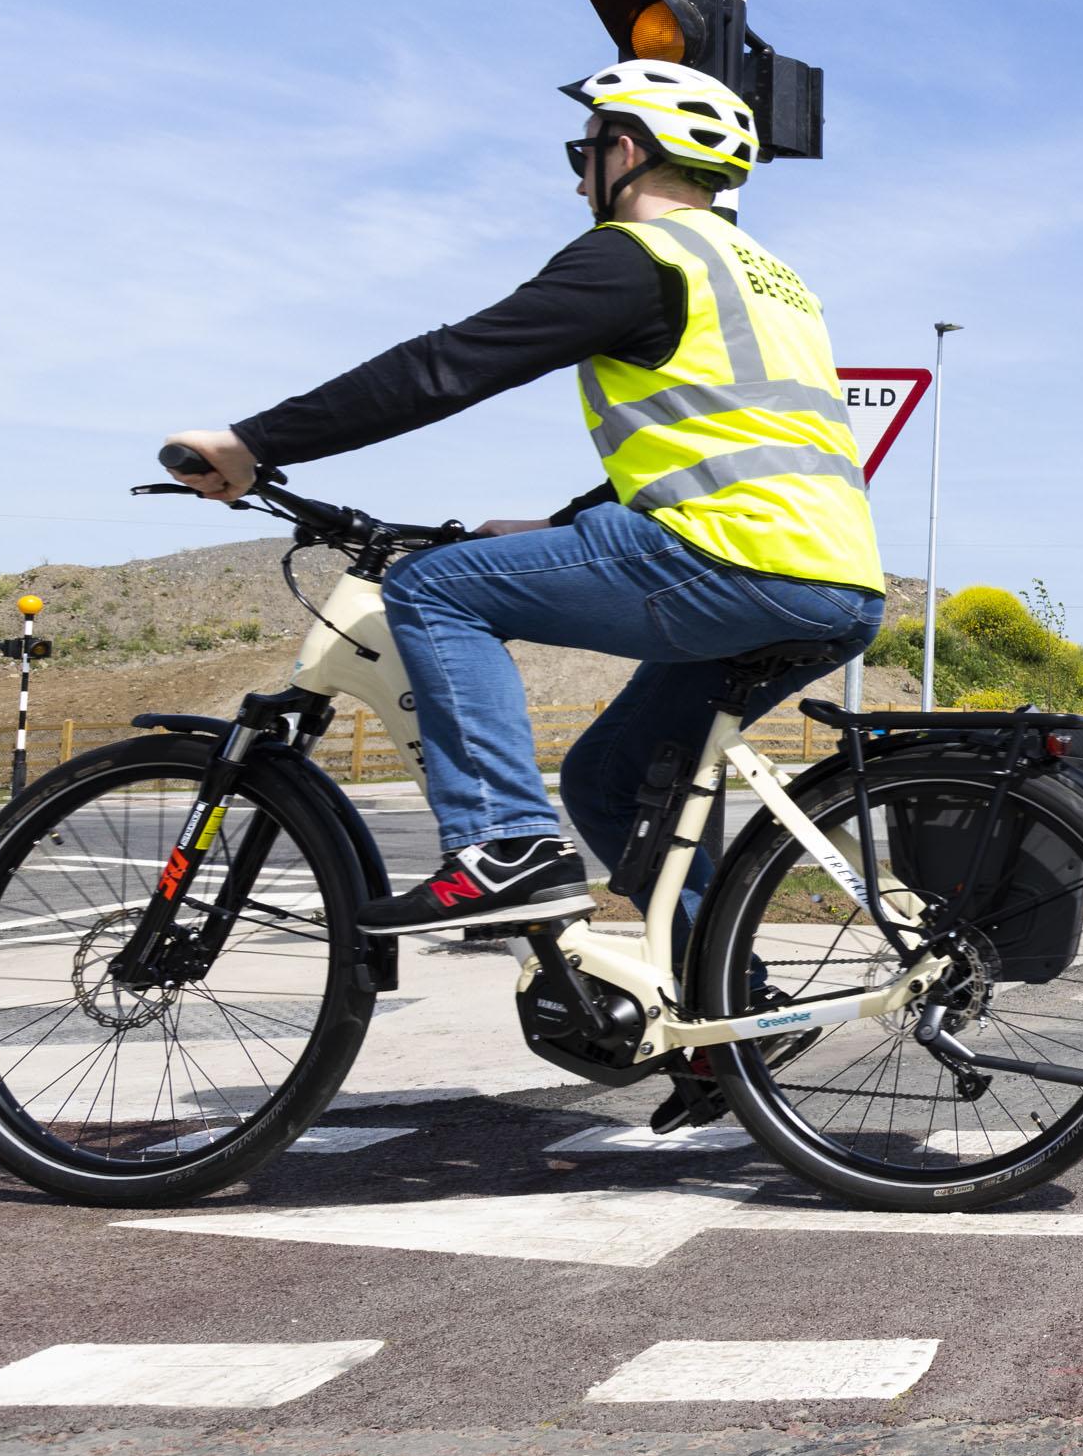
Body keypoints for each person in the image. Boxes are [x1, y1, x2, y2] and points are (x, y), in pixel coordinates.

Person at [163, 58, 886, 951]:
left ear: (621, 149)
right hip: (833, 582)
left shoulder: (636, 255)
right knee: (611, 780)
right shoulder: (769, 277)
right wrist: (563, 526)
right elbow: (722, 433)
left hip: (727, 557)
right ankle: (714, 1016)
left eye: (580, 153)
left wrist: (255, 442)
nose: (578, 175)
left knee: (434, 588)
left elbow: (445, 367)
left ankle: (506, 845)